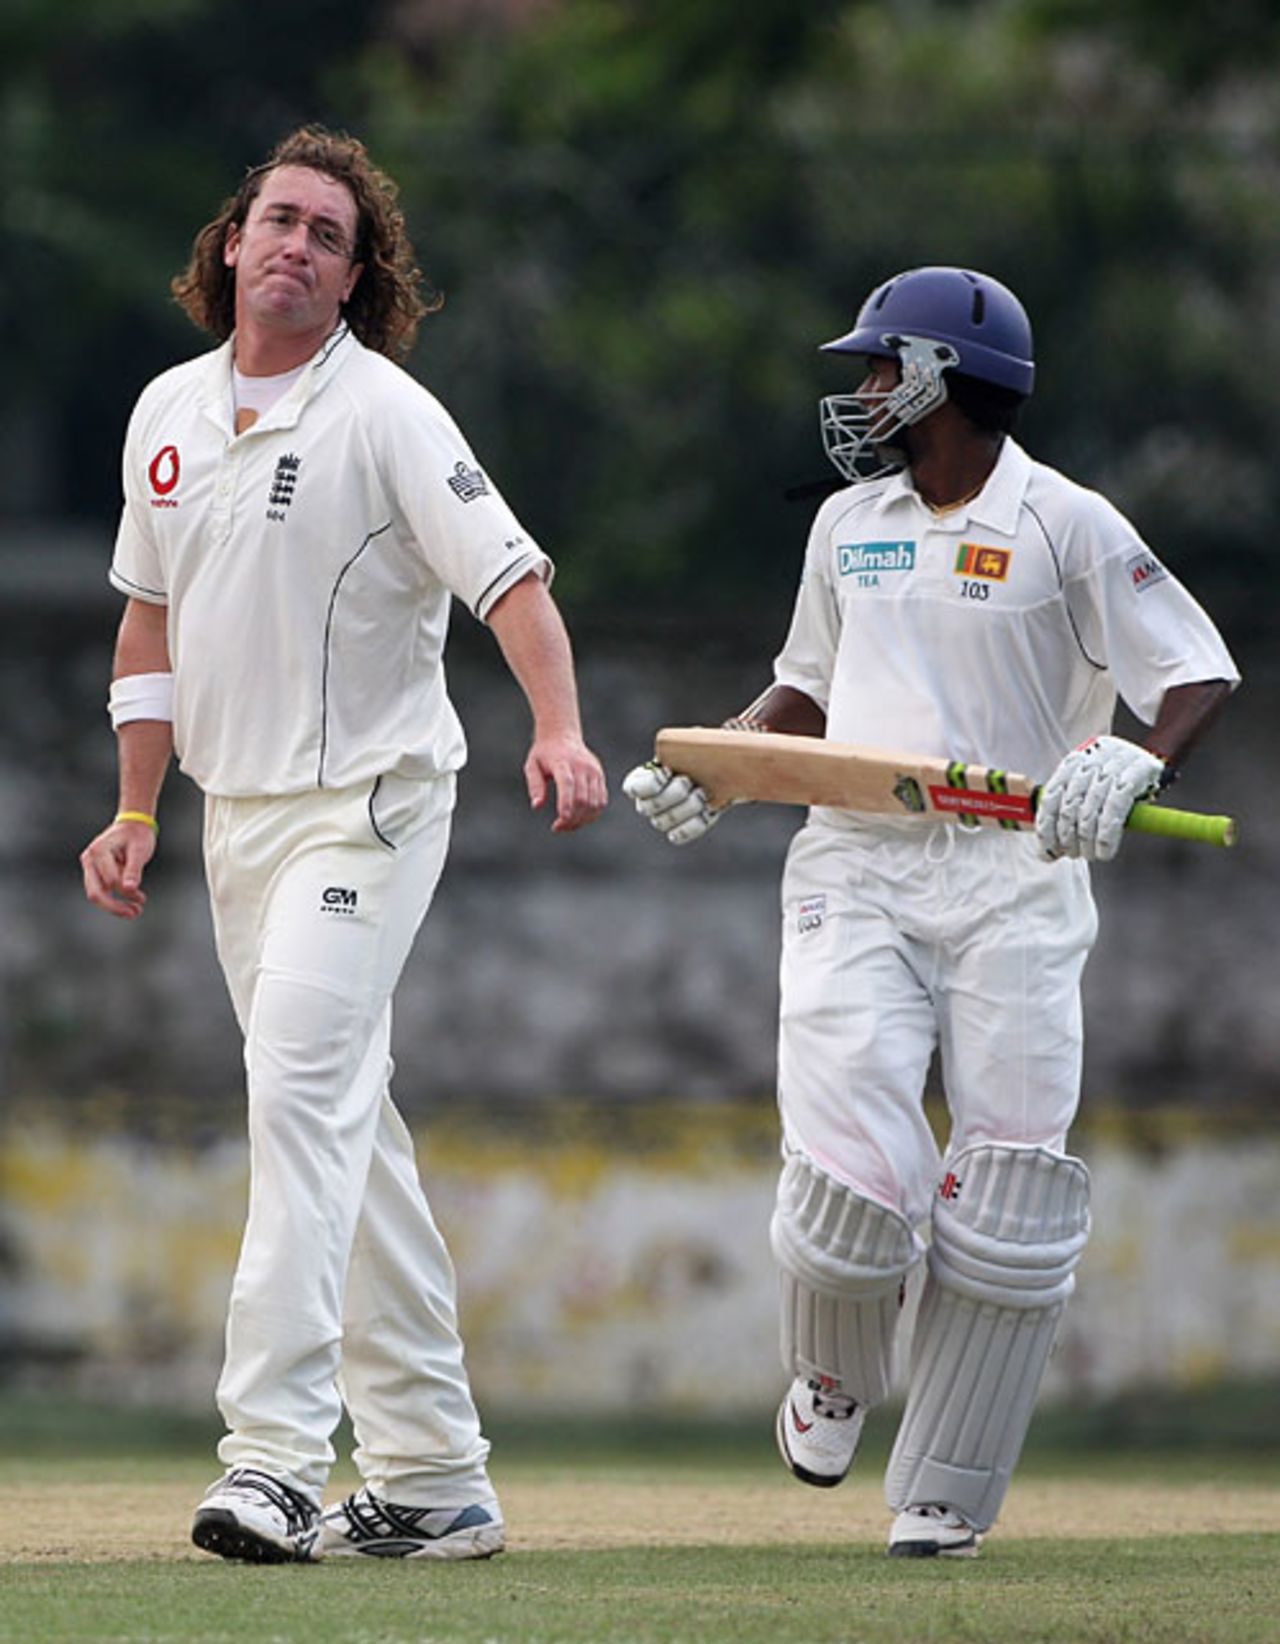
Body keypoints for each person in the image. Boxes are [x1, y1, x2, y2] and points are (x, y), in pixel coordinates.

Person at [624, 266, 1237, 1557]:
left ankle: (948, 1486)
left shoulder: (1065, 521)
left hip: (1016, 875)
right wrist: (716, 760)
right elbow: (805, 686)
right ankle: (836, 1368)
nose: (859, 394)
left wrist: (1138, 759)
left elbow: (1194, 666)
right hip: (857, 864)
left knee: (1009, 1197)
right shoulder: (850, 523)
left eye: (877, 368)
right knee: (857, 1186)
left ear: (944, 378)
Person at [80, 126, 607, 1565]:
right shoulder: (166, 414)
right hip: (234, 824)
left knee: (300, 1105)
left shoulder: (386, 413)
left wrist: (557, 727)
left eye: (330, 233)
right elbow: (149, 622)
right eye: (279, 222)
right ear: (230, 245)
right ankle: (435, 1476)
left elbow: (511, 582)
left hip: (370, 806)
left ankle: (269, 1461)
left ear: (357, 274)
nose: (298, 247)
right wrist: (136, 809)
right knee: (347, 1133)